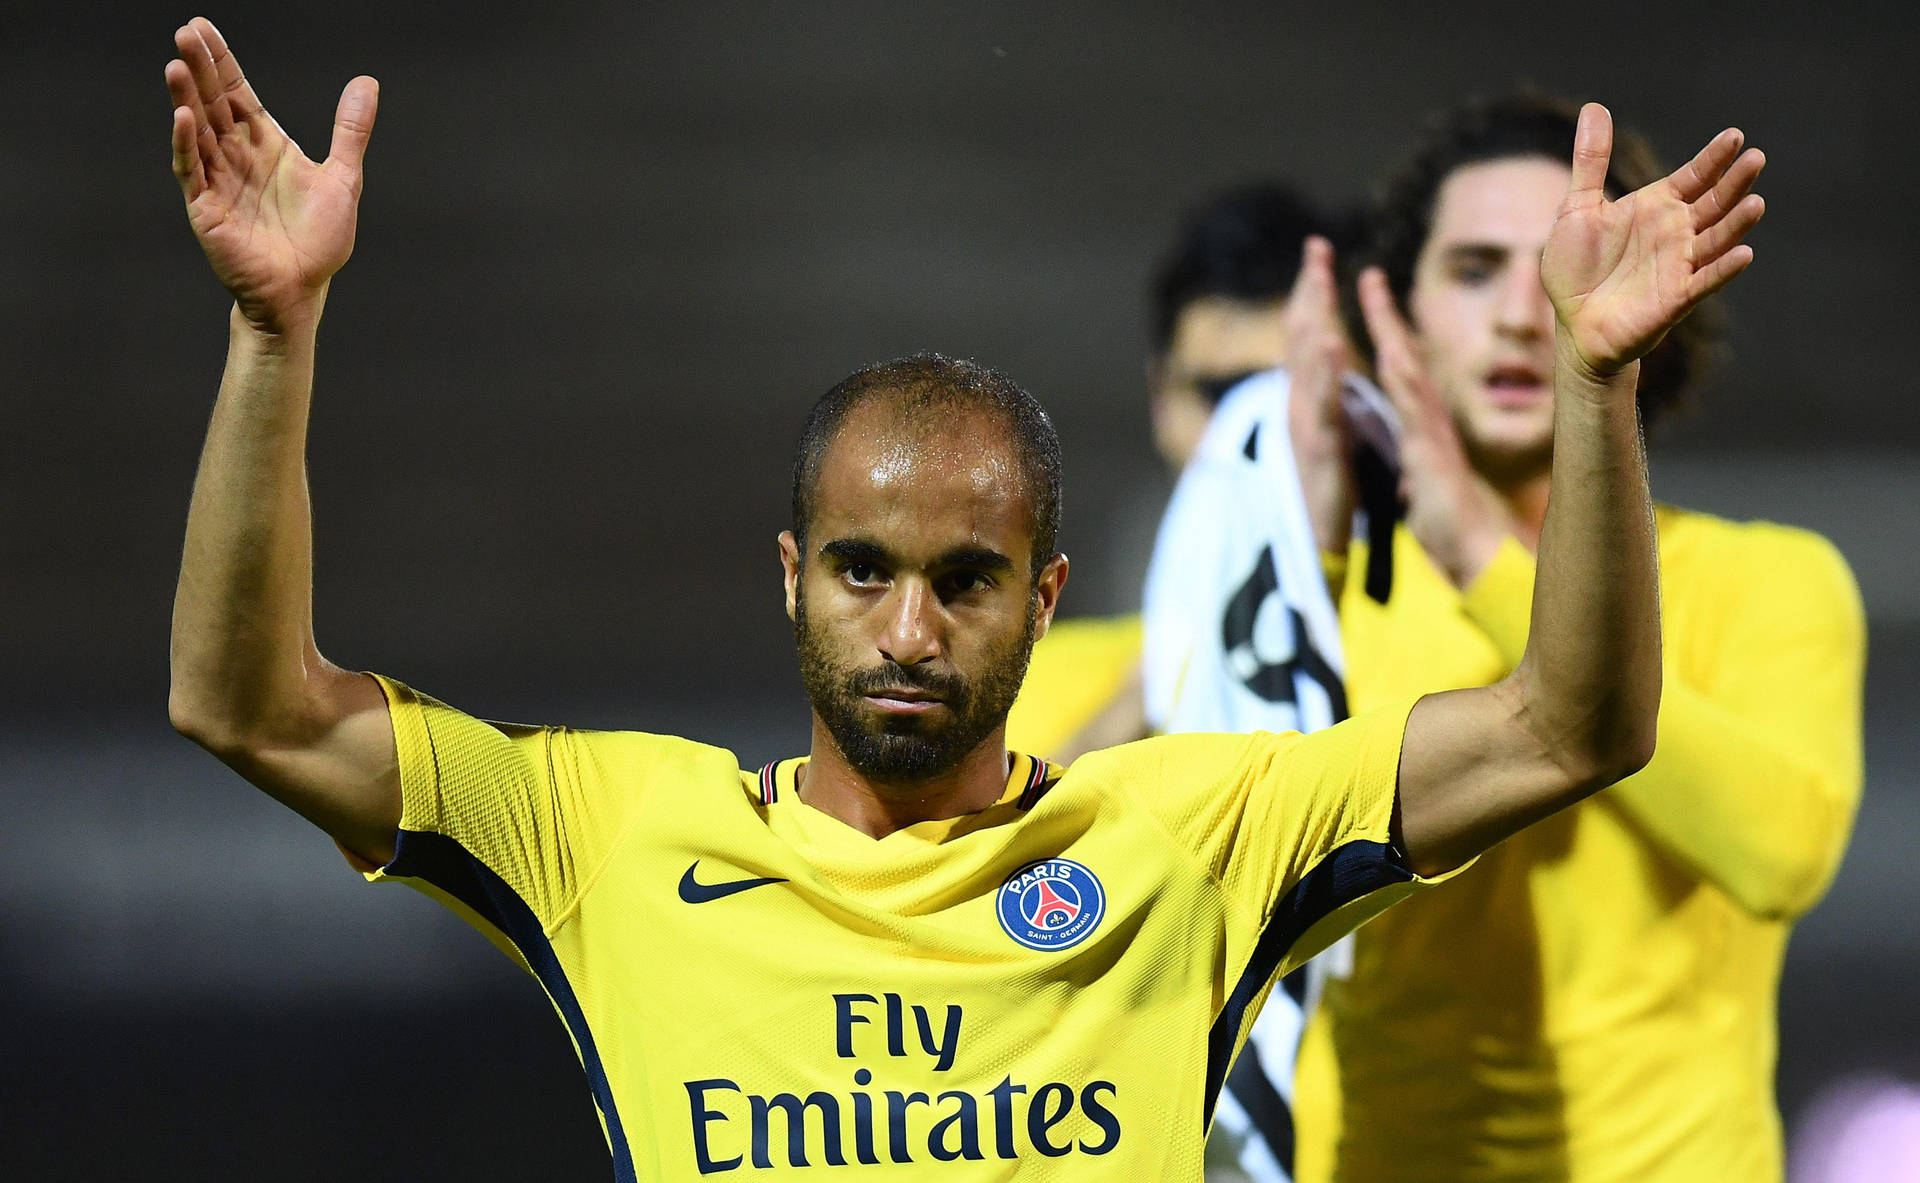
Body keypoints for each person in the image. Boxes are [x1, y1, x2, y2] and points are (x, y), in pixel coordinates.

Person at [163, 19, 1765, 1179]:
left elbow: (1578, 721)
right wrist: (273, 332)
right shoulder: (610, 832)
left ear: (1048, 595)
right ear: (791, 574)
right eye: (863, 569)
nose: (911, 631)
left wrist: (1594, 383)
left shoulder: (1183, 840)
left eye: (967, 580)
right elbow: (245, 705)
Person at [1286, 94, 1865, 1183]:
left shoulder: (1765, 577)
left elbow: (1778, 853)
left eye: (1558, 259)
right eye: (1470, 269)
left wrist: (1485, 565)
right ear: (1392, 312)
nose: (1520, 311)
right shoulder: (1322, 595)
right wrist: (1271, 527)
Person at [1005, 183, 1354, 762]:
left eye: (1288, 395)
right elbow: (977, 855)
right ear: (1161, 397)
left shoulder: (1452, 638)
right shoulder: (1027, 678)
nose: (1252, 433)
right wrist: (1156, 693)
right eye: (1223, 394)